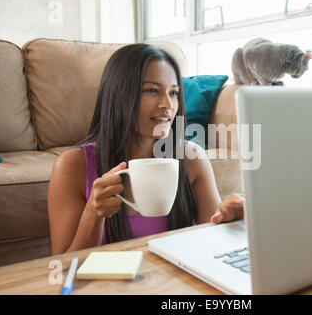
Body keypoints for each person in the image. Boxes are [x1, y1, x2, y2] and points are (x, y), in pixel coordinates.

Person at [47, 44, 244, 255]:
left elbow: (212, 245)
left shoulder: (192, 158)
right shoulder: (72, 166)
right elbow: (63, 266)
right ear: (119, 94)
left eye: (174, 93)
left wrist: (231, 222)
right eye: (152, 90)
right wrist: (93, 214)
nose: (167, 104)